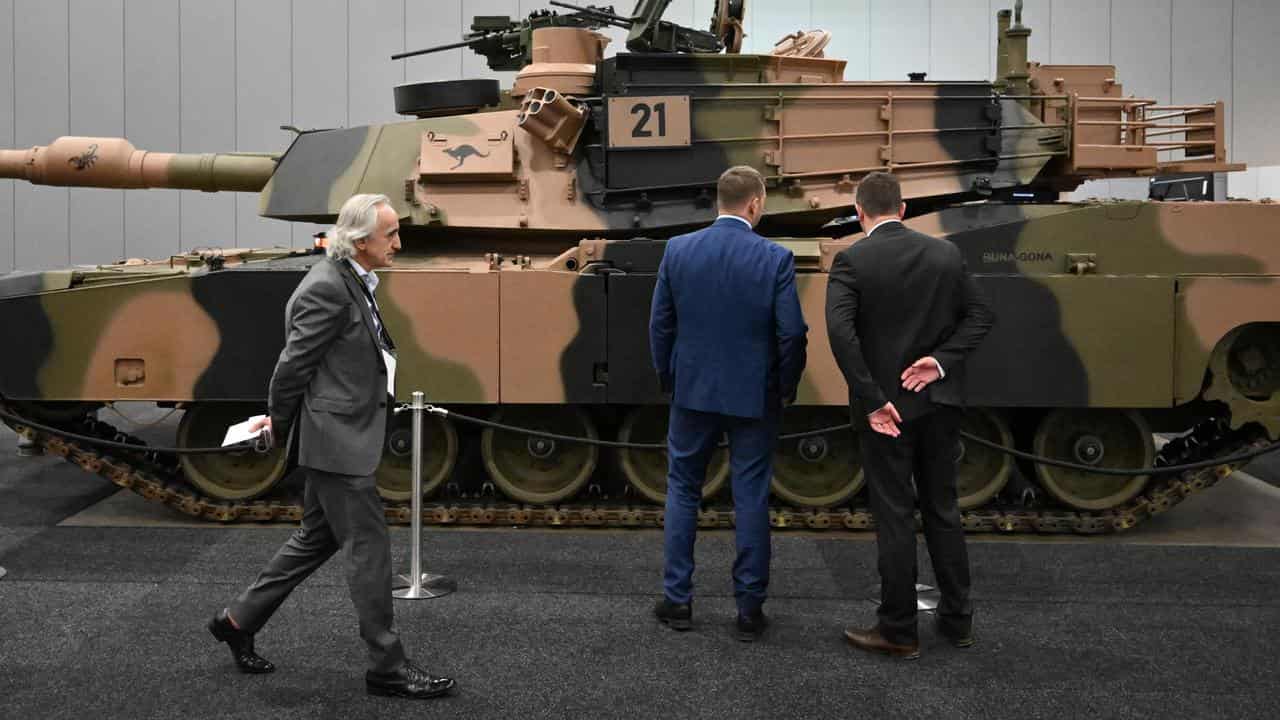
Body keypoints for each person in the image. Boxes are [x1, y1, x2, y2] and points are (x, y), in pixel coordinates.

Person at [206, 193, 455, 699]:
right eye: (391, 235)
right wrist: (275, 422)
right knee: (369, 549)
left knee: (314, 540)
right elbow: (292, 366)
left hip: (340, 434)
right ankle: (387, 665)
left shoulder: (350, 278)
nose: (399, 244)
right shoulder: (326, 288)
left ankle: (237, 620)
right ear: (361, 241)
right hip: (338, 442)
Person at [825, 171, 994, 659]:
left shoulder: (852, 260)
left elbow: (842, 334)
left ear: (860, 213)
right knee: (943, 510)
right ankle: (958, 621)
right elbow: (981, 316)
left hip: (886, 414)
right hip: (937, 404)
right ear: (902, 209)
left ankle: (898, 630)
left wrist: (873, 397)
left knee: (895, 515)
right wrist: (940, 362)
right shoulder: (945, 254)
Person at [648, 165, 809, 641]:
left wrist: (670, 378)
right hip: (754, 394)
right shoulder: (775, 257)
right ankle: (749, 610)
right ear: (755, 204)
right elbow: (791, 333)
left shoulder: (678, 250)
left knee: (681, 490)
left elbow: (660, 326)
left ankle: (678, 602)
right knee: (751, 494)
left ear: (718, 201)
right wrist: (784, 385)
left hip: (692, 392)